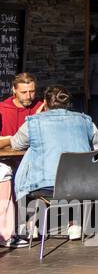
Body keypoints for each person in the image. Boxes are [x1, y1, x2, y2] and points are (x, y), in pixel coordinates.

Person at [11, 85, 98, 240]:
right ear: (68, 104)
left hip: (45, 185)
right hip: (83, 184)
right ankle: (74, 224)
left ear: (45, 103)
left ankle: (30, 224)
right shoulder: (86, 121)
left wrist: (37, 116)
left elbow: (16, 144)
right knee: (69, 180)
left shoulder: (34, 122)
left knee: (31, 162)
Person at [0, 73, 43, 246]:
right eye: (24, 92)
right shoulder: (3, 109)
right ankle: (9, 228)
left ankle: (33, 222)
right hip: (8, 159)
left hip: (34, 159)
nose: (29, 96)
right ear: (14, 91)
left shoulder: (40, 107)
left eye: (32, 92)